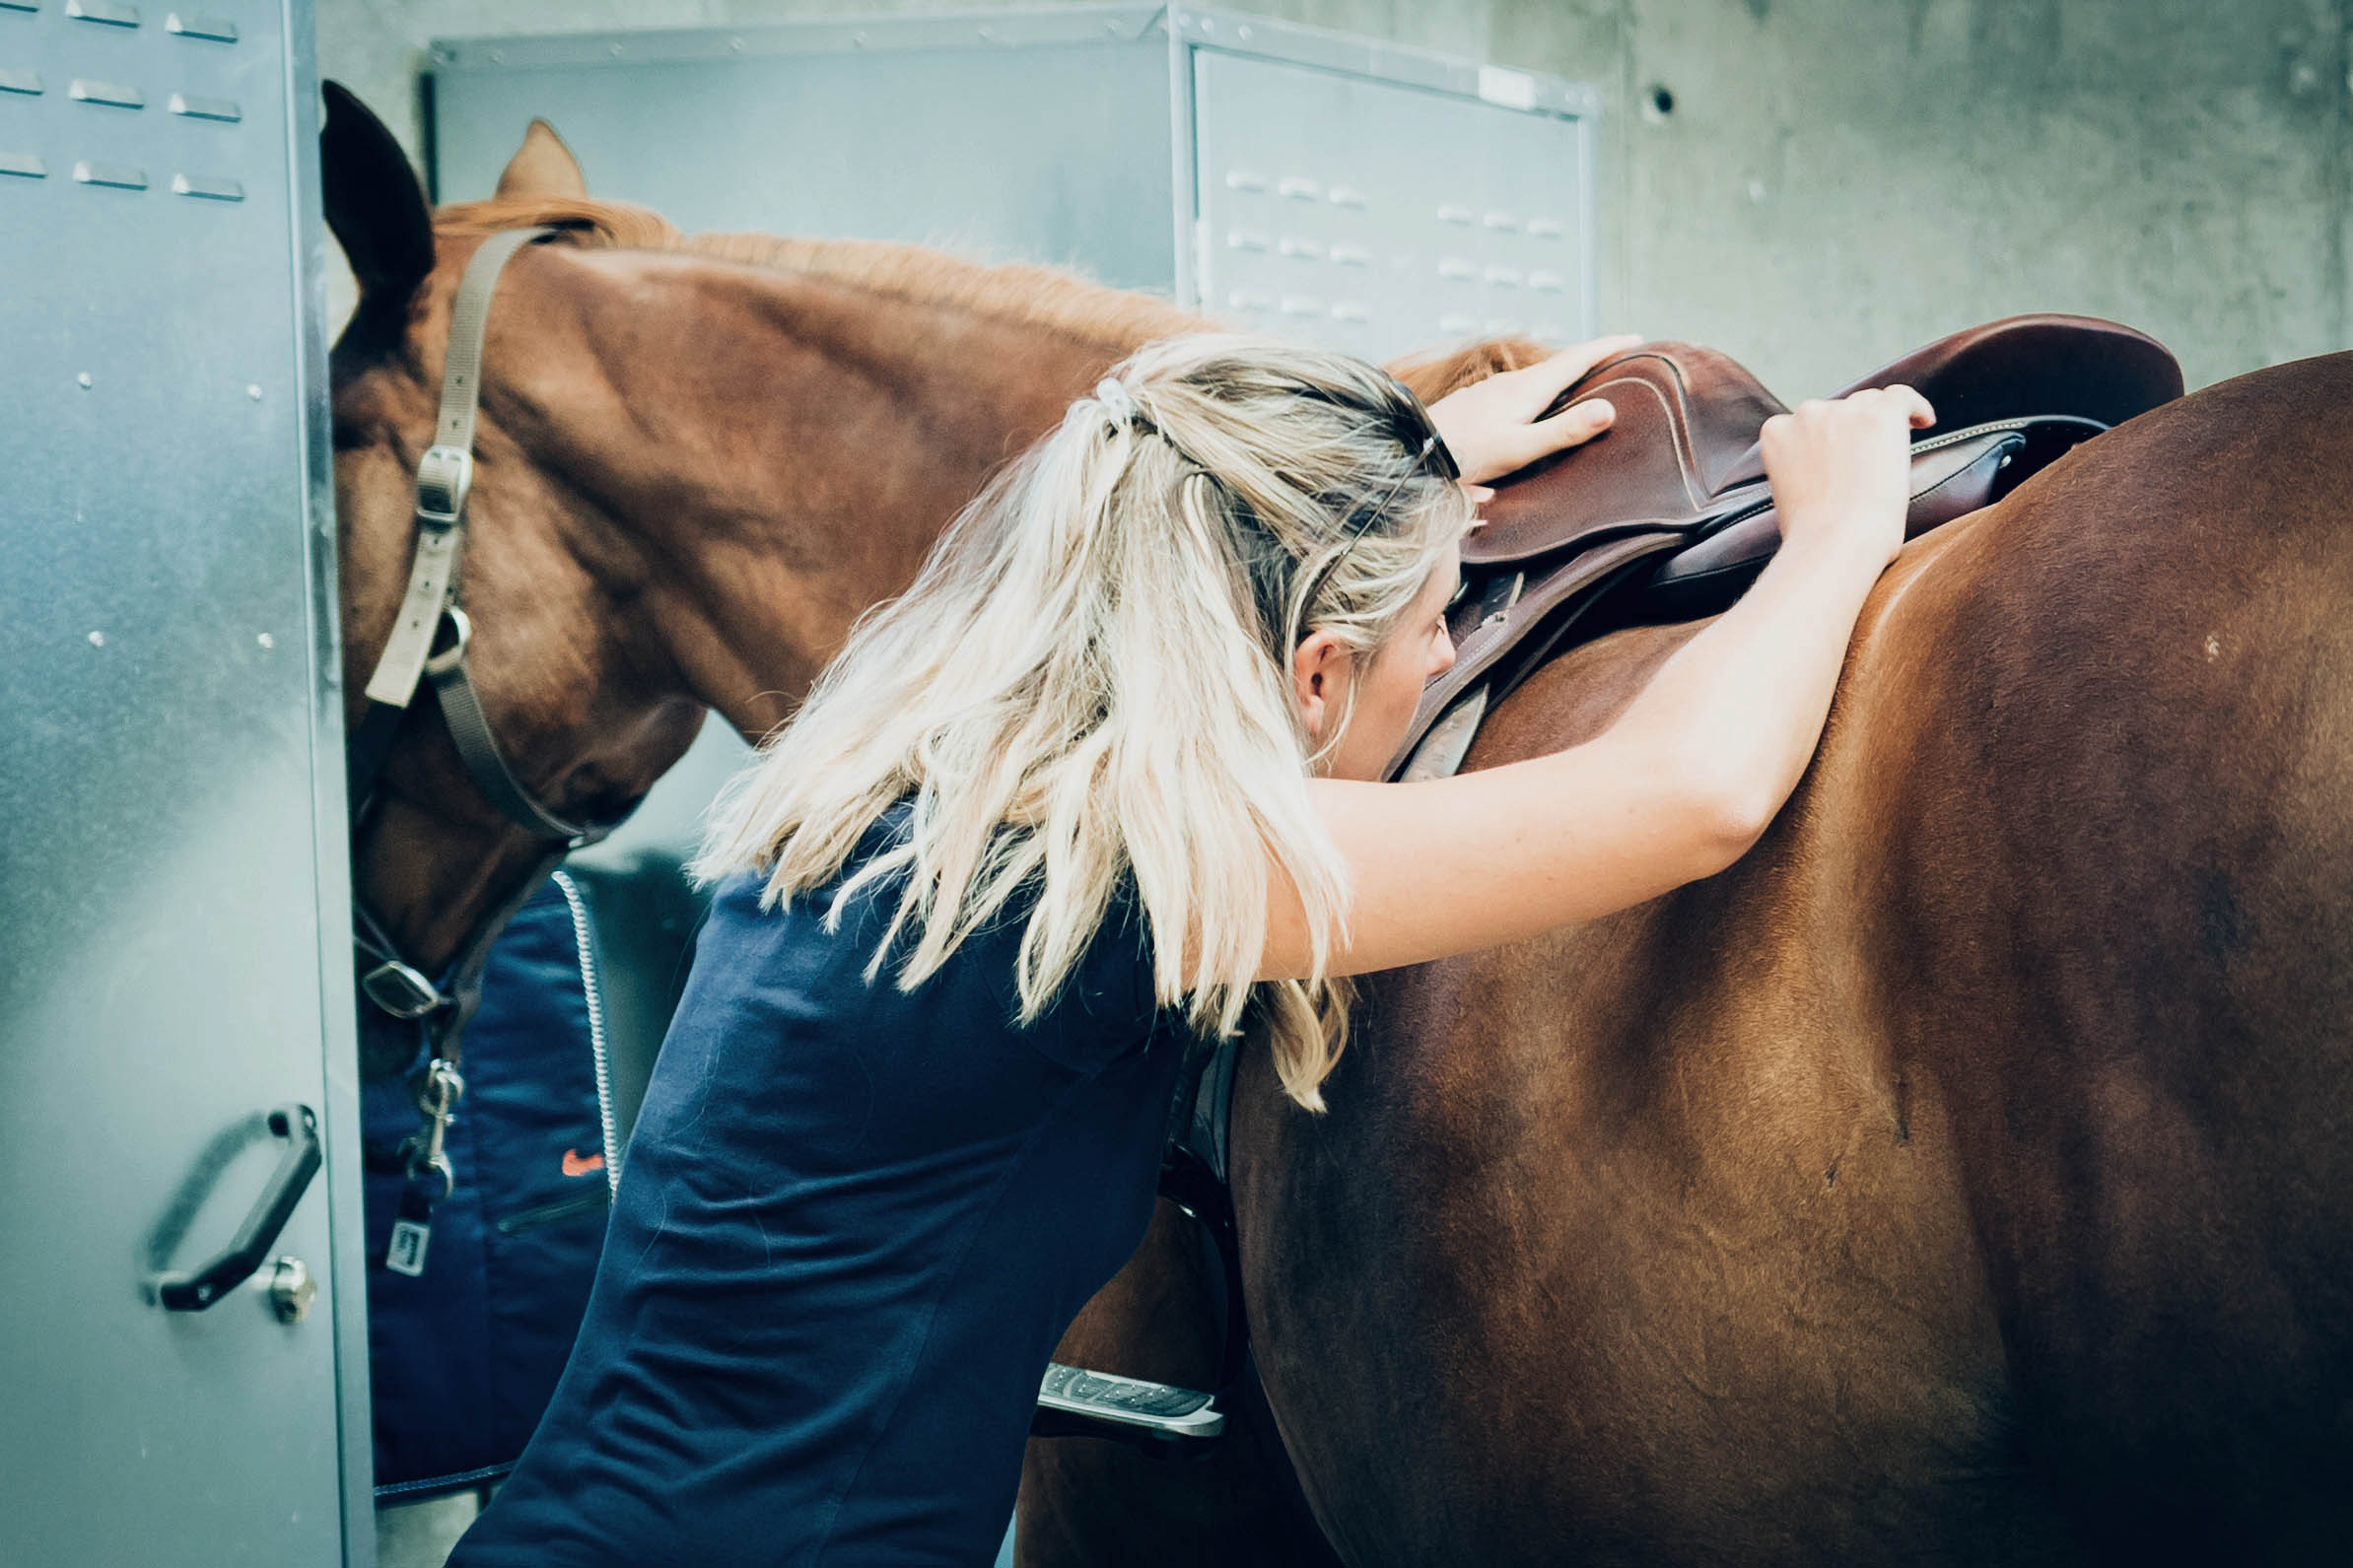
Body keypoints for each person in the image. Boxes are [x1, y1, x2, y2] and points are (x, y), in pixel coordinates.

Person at [449, 330, 1933, 1565]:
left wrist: (1386, 475)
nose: (1442, 657)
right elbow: (1686, 795)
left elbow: (1151, 517)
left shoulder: (907, 795)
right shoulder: (1112, 874)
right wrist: (1841, 533)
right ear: (1310, 675)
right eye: (1436, 625)